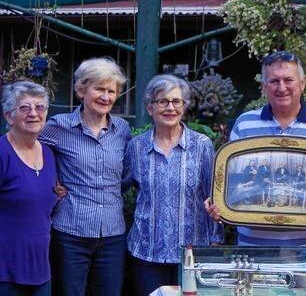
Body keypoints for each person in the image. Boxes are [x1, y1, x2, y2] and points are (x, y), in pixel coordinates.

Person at [206, 51, 306, 247]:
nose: (282, 88)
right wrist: (217, 203)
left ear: (302, 83)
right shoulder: (244, 123)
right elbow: (230, 182)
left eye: (289, 80)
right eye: (274, 81)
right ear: (264, 87)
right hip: (254, 245)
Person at [39, 57, 131, 296]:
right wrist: (51, 183)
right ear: (82, 90)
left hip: (112, 234)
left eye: (111, 91)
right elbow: (28, 153)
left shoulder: (122, 130)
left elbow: (128, 173)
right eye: (99, 89)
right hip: (71, 232)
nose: (106, 96)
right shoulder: (58, 127)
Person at [124, 74, 223, 296]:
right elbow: (117, 186)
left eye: (176, 101)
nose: (170, 107)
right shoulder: (137, 147)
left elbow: (213, 197)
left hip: (192, 253)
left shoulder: (201, 145)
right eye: (163, 101)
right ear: (150, 108)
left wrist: (216, 241)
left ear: (184, 107)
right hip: (147, 251)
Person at [0, 81, 57, 296]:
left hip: (40, 269)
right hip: (5, 271)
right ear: (8, 116)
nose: (34, 113)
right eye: (24, 107)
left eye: (40, 107)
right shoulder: (2, 153)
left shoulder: (49, 154)